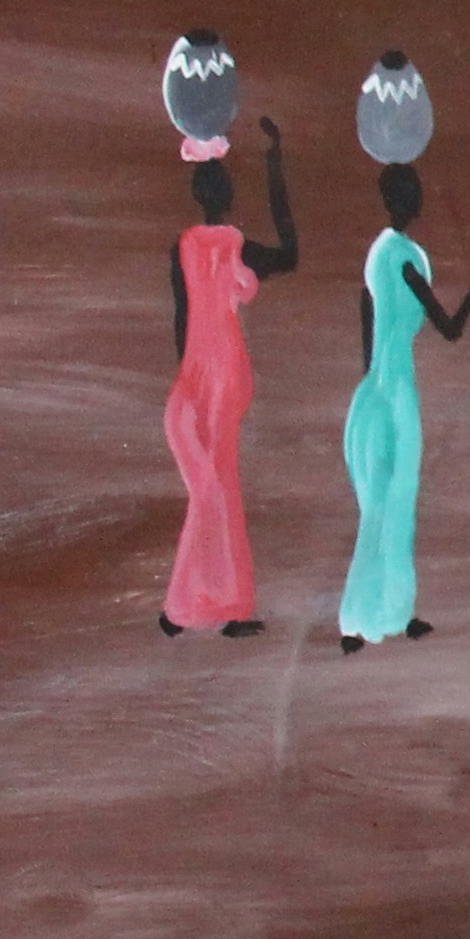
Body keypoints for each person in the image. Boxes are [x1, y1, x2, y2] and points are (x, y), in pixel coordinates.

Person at [335, 158, 470, 650]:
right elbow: (450, 328)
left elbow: (366, 313)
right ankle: (386, 613)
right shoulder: (406, 259)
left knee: (377, 505)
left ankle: (362, 619)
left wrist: (373, 375)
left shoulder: (376, 254)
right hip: (399, 392)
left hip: (373, 391)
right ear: (409, 200)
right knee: (399, 500)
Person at [158, 120, 296, 637]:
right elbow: (289, 254)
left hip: (198, 374)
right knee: (218, 488)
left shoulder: (183, 247)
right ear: (229, 196)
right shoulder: (235, 244)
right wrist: (274, 168)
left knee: (211, 490)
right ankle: (210, 606)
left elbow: (181, 316)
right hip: (225, 374)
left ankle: (197, 607)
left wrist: (189, 372)